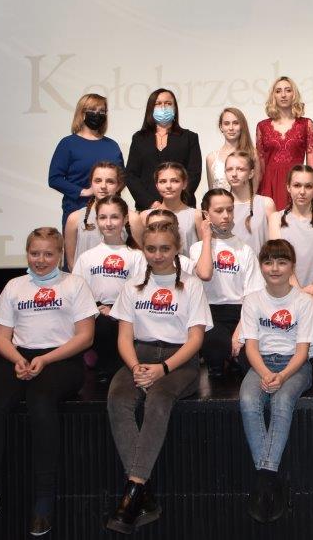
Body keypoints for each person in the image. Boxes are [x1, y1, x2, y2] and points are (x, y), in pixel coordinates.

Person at [0, 228, 96, 538]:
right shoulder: (14, 286)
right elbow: (1, 337)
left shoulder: (75, 284)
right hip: (20, 358)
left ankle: (44, 500)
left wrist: (46, 359)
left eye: (48, 254)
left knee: (40, 402)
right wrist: (17, 359)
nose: (41, 260)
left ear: (60, 255)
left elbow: (85, 337)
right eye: (34, 253)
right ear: (27, 253)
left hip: (62, 359)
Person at [104, 220, 210, 533]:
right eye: (151, 249)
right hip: (140, 356)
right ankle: (143, 495)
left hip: (180, 361)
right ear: (143, 249)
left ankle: (134, 488)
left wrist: (163, 369)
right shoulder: (132, 285)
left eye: (165, 248)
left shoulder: (191, 285)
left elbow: (195, 339)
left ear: (176, 248)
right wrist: (135, 366)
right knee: (118, 399)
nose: (158, 254)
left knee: (159, 399)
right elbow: (124, 337)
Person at [238, 239, 313, 523]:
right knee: (248, 400)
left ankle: (263, 480)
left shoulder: (304, 302)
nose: (275, 268)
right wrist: (265, 373)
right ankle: (270, 479)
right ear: (261, 266)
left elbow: (303, 351)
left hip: (295, 366)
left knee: (282, 401)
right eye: (268, 262)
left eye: (282, 262)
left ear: (292, 266)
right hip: (261, 364)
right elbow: (250, 347)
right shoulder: (252, 300)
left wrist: (281, 376)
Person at [190, 188, 264, 377]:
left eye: (229, 210)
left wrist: (240, 332)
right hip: (210, 313)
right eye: (219, 211)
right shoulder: (197, 248)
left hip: (240, 313)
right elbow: (205, 273)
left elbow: (253, 295)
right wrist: (207, 238)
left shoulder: (245, 250)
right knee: (216, 352)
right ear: (206, 214)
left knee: (247, 360)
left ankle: (234, 361)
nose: (226, 215)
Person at [72, 194, 145, 378]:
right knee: (103, 326)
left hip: (127, 313)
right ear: (96, 220)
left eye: (114, 217)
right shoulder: (86, 257)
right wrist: (96, 310)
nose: (109, 223)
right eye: (103, 217)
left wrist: (116, 310)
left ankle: (121, 367)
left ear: (125, 219)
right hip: (97, 313)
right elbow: (76, 294)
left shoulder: (136, 256)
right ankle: (105, 365)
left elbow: (141, 292)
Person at [48, 93, 124, 227]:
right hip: (77, 210)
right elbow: (55, 178)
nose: (97, 114)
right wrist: (84, 191)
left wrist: (110, 192)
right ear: (82, 113)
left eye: (102, 111)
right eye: (92, 110)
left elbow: (122, 177)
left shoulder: (112, 145)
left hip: (110, 212)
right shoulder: (68, 144)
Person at [124, 88, 202, 212]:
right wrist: (150, 202)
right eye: (158, 103)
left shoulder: (189, 137)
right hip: (148, 208)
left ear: (175, 108)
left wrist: (176, 202)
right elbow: (131, 175)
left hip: (181, 207)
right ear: (151, 108)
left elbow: (194, 173)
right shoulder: (139, 138)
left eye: (168, 103)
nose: (163, 107)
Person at [267, 165, 313, 297]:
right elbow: (280, 259)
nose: (302, 191)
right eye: (297, 185)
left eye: (308, 186)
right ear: (288, 187)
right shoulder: (276, 218)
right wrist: (299, 294)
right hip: (287, 294)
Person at [256, 76, 313, 210]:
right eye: (278, 91)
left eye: (288, 90)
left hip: (297, 184)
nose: (283, 95)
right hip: (269, 185)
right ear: (273, 96)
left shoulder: (306, 124)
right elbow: (260, 166)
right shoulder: (262, 126)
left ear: (294, 94)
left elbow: (312, 163)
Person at [63, 160, 124, 270]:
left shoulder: (132, 219)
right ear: (91, 183)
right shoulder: (74, 218)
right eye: (98, 181)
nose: (103, 186)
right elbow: (72, 263)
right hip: (84, 280)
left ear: (118, 186)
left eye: (110, 181)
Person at [134, 162, 198, 256]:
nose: (168, 186)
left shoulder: (196, 215)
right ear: (156, 185)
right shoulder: (145, 216)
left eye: (175, 181)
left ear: (184, 184)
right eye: (163, 181)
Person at [205, 107, 257, 192]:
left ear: (242, 126)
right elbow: (211, 193)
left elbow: (255, 190)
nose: (231, 128)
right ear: (221, 127)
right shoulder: (211, 158)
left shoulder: (252, 154)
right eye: (226, 124)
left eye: (236, 123)